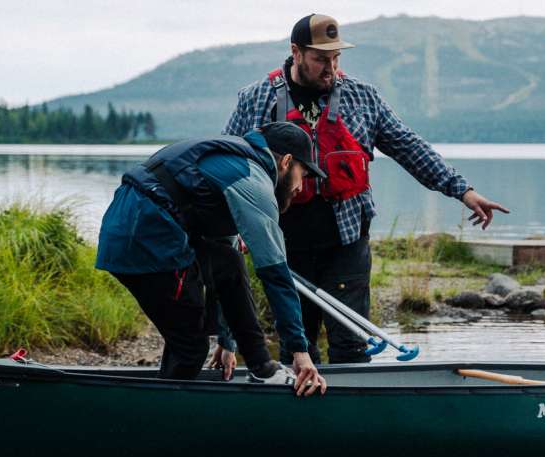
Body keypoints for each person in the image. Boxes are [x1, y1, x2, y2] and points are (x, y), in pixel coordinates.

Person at [224, 13, 509, 364]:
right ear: (296, 53)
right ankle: (298, 415)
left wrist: (463, 190)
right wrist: (232, 229)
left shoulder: (362, 97)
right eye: (320, 59)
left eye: (336, 58)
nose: (330, 68)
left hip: (346, 244)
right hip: (285, 245)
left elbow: (408, 147)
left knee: (351, 347)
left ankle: (354, 413)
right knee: (296, 345)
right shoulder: (255, 98)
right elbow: (227, 165)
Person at [95, 122, 327, 396]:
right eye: (304, 174)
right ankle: (163, 419)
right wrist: (300, 351)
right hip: (146, 238)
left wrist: (228, 341)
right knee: (190, 345)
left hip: (135, 230)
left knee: (229, 262)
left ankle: (262, 368)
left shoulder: (234, 164)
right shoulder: (252, 179)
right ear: (287, 162)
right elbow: (276, 273)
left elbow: (225, 273)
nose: (302, 187)